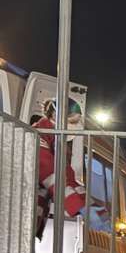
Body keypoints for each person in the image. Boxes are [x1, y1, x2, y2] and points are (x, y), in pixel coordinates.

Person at [35, 97, 86, 239]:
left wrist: (94, 208)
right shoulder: (37, 138)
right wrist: (78, 206)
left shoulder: (58, 146)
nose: (77, 126)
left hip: (31, 219)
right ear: (55, 117)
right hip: (15, 216)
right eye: (74, 122)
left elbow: (68, 178)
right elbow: (51, 176)